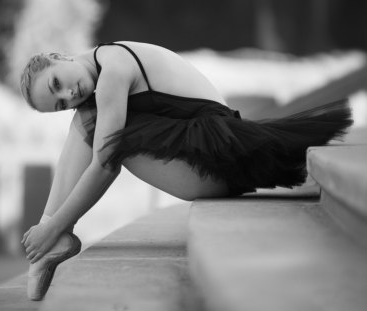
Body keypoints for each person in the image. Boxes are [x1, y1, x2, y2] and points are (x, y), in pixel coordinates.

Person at [19, 41, 353, 300]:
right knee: (88, 119)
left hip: (215, 163)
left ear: (60, 56)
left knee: (98, 132)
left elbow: (105, 166)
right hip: (206, 158)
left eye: (57, 84)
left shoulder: (113, 70)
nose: (70, 94)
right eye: (60, 103)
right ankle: (53, 235)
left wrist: (52, 227)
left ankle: (52, 234)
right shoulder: (98, 68)